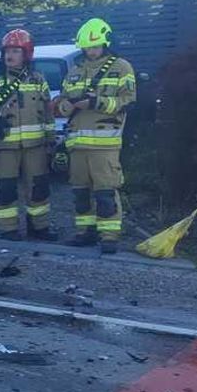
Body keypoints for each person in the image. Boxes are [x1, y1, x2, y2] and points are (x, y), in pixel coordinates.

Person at [56, 18, 136, 255]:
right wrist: (64, 107)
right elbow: (62, 99)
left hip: (105, 144)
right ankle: (85, 233)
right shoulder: (75, 70)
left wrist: (96, 102)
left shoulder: (121, 67)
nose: (90, 51)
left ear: (106, 43)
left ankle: (109, 237)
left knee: (105, 193)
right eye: (87, 48)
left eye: (95, 46)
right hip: (77, 144)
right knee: (80, 192)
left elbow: (128, 101)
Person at [0, 29, 56, 242]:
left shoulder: (39, 79)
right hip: (4, 148)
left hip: (35, 146)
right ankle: (8, 229)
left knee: (38, 188)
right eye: (6, 51)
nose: (9, 56)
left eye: (15, 51)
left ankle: (39, 227)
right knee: (6, 189)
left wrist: (50, 140)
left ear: (26, 53)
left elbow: (47, 112)